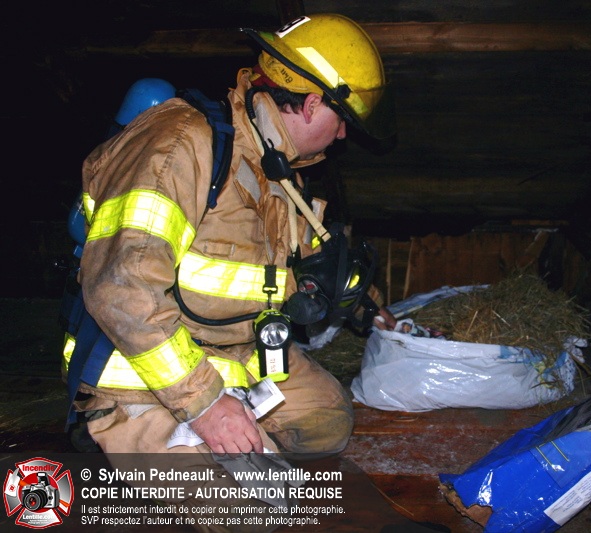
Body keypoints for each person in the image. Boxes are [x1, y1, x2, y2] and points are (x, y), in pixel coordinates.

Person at [62, 13, 398, 531]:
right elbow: (121, 290)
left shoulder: (277, 169)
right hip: (144, 370)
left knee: (328, 422)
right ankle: (132, 439)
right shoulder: (180, 145)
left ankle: (223, 441)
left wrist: (373, 309)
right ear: (312, 103)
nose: (343, 133)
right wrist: (206, 406)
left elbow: (310, 262)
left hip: (237, 351)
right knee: (255, 514)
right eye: (343, 117)